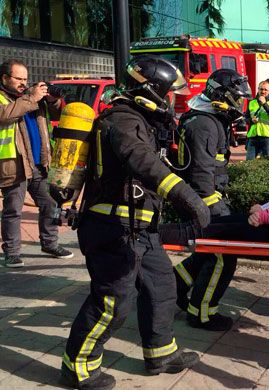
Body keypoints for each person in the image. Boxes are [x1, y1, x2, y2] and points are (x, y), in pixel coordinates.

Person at [60, 55, 211, 389]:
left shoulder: (141, 119)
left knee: (161, 287)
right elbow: (141, 161)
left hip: (140, 229)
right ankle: (78, 365)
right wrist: (186, 196)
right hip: (113, 229)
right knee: (114, 300)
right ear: (153, 90)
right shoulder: (122, 120)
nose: (173, 100)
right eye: (170, 93)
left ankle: (161, 353)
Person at [172, 68, 252, 331]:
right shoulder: (205, 124)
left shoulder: (205, 118)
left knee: (207, 254)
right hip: (202, 200)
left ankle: (175, 285)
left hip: (200, 197)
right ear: (221, 95)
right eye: (237, 98)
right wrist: (213, 210)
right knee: (222, 256)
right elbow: (202, 175)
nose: (240, 105)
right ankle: (202, 313)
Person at [0, 59, 74, 268]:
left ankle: (50, 244)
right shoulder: (7, 98)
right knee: (13, 209)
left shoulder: (33, 98)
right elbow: (5, 115)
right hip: (14, 164)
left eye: (25, 79)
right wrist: (31, 97)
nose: (23, 83)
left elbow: (59, 115)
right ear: (5, 78)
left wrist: (53, 100)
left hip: (39, 162)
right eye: (18, 79)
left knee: (50, 203)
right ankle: (12, 253)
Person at [245, 80, 269, 159]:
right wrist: (251, 120)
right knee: (249, 161)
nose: (263, 91)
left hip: (267, 136)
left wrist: (264, 104)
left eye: (265, 90)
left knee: (266, 161)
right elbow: (246, 118)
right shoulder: (252, 102)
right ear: (258, 89)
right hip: (253, 136)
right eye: (261, 89)